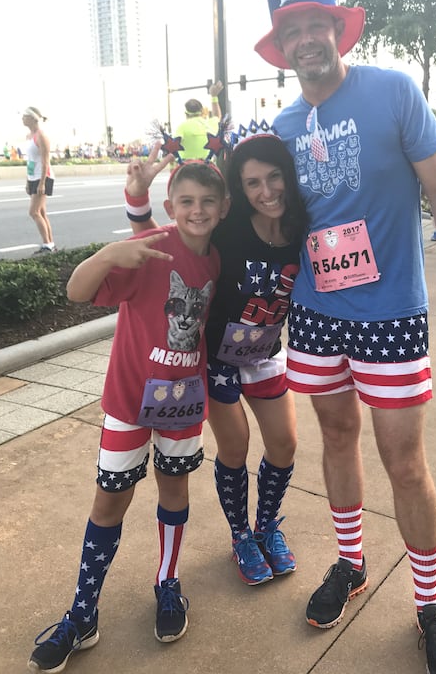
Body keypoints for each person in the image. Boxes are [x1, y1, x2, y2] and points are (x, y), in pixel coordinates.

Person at [250, 0, 436, 674]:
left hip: (389, 314)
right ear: (282, 45)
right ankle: (351, 565)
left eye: (317, 23)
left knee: (405, 462)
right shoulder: (283, 128)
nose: (308, 38)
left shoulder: (391, 91)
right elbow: (269, 223)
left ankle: (428, 605)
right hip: (316, 317)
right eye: (293, 30)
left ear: (338, 27)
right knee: (337, 439)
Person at [27, 161, 229, 673]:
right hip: (127, 404)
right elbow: (76, 292)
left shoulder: (220, 261)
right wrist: (109, 253)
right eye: (186, 202)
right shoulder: (149, 250)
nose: (197, 210)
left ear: (222, 209)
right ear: (171, 208)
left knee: (175, 492)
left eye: (207, 202)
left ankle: (168, 585)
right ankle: (83, 613)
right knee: (109, 500)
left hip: (182, 405)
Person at [124, 133, 308, 586]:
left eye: (274, 177)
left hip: (265, 351)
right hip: (217, 358)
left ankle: (267, 527)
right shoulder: (229, 232)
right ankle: (241, 536)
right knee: (236, 446)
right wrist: (137, 197)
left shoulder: (302, 229)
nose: (266, 192)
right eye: (252, 183)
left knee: (284, 444)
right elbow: (162, 246)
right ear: (238, 193)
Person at [22, 107, 56, 253]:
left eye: (24, 116)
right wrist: (27, 181)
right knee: (41, 212)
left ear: (32, 118)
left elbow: (45, 161)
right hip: (32, 176)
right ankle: (50, 244)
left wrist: (42, 182)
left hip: (43, 176)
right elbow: (30, 160)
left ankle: (47, 245)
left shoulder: (41, 136)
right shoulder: (29, 136)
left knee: (33, 212)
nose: (22, 119)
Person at [174, 81, 223, 160]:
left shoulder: (182, 127)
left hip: (186, 167)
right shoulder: (210, 124)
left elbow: (174, 146)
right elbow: (217, 116)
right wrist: (214, 96)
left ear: (186, 114)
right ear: (202, 111)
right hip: (207, 166)